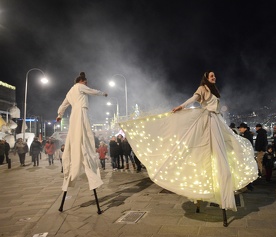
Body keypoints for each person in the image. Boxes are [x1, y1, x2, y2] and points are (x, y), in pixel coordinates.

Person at [120, 71, 258, 211]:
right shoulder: (202, 88)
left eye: (214, 75)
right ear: (206, 78)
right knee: (207, 153)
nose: (214, 77)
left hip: (217, 120)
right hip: (208, 120)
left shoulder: (214, 91)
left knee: (231, 147)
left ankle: (223, 188)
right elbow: (193, 98)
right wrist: (182, 106)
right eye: (211, 76)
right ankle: (211, 190)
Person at [56, 72, 108, 191]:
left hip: (74, 114)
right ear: (82, 81)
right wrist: (103, 93)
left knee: (75, 133)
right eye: (86, 82)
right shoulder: (80, 87)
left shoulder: (70, 91)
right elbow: (92, 91)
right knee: (85, 134)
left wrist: (59, 114)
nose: (86, 84)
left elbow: (63, 104)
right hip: (81, 112)